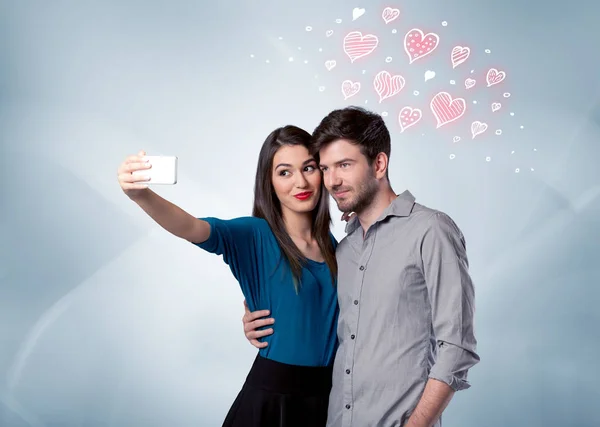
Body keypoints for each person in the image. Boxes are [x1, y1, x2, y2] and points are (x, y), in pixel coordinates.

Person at [242, 107, 480, 427]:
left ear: (379, 164)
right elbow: (322, 319)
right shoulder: (344, 250)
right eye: (325, 168)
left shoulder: (430, 230)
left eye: (344, 165)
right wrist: (254, 312)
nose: (332, 181)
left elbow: (457, 347)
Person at [116, 125, 340, 427]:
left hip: (327, 399)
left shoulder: (335, 246)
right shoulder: (254, 234)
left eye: (309, 168)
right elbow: (193, 228)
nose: (300, 181)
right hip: (272, 401)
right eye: (284, 172)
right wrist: (141, 195)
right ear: (269, 183)